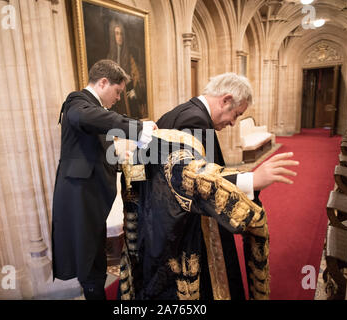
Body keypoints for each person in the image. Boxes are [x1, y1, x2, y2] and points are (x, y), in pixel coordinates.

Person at [118, 73, 298, 300]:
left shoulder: (177, 113)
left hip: (160, 221)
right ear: (225, 100)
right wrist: (252, 180)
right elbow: (193, 180)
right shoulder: (195, 122)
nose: (233, 122)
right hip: (184, 229)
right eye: (236, 114)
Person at [51, 59, 155, 300]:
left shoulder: (94, 110)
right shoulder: (77, 102)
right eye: (117, 91)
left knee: (92, 251)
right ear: (103, 82)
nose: (119, 98)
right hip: (80, 194)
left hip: (89, 193)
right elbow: (84, 118)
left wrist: (121, 161)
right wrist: (139, 129)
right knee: (88, 255)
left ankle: (94, 290)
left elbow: (97, 150)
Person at [107, 19, 147, 119]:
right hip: (115, 97)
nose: (119, 37)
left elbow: (138, 76)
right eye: (117, 34)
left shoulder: (130, 56)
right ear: (113, 36)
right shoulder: (110, 57)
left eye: (121, 34)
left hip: (129, 95)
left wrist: (134, 89)